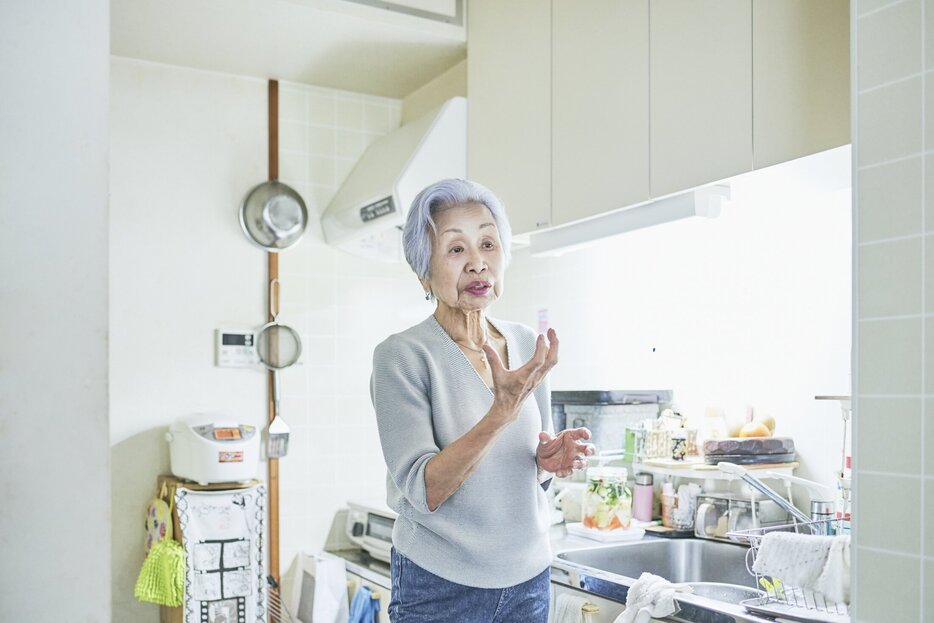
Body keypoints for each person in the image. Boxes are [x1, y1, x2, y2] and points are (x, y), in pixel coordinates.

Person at [370, 179, 595, 623]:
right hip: (439, 586)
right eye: (456, 250)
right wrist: (500, 413)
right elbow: (425, 490)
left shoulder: (527, 343)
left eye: (488, 243)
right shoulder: (401, 356)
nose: (477, 263)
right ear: (424, 273)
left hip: (529, 578)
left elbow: (529, 472)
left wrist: (548, 462)